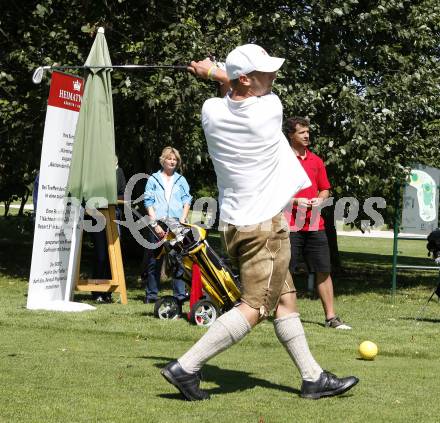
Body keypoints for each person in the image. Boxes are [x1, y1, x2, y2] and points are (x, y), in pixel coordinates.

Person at [160, 44, 359, 401]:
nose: (274, 76)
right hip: (264, 229)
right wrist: (214, 72)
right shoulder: (270, 109)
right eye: (266, 72)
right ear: (246, 79)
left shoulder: (211, 112)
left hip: (236, 225)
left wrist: (215, 74)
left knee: (285, 299)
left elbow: (227, 92)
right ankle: (186, 367)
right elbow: (229, 83)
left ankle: (312, 376)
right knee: (256, 307)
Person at [286, 117, 351, 330]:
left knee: (323, 270)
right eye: (301, 132)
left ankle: (331, 318)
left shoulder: (316, 161)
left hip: (315, 224)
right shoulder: (281, 160)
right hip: (288, 225)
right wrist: (296, 200)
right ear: (290, 135)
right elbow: (270, 192)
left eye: (307, 132)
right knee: (286, 272)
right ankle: (287, 315)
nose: (307, 135)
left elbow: (325, 188)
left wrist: (320, 199)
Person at [142, 146, 192, 304]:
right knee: (154, 260)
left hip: (177, 223)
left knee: (178, 259)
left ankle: (179, 295)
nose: (172, 161)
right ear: (163, 160)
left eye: (175, 159)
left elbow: (187, 200)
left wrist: (183, 218)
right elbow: (148, 202)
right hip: (158, 223)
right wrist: (154, 223)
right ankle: (151, 295)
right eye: (169, 158)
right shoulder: (153, 179)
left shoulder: (181, 180)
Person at [90, 156, 126, 303]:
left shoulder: (119, 172)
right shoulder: (96, 173)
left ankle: (108, 292)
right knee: (101, 255)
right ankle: (97, 291)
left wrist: (109, 197)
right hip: (97, 216)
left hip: (114, 215)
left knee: (113, 256)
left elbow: (123, 194)